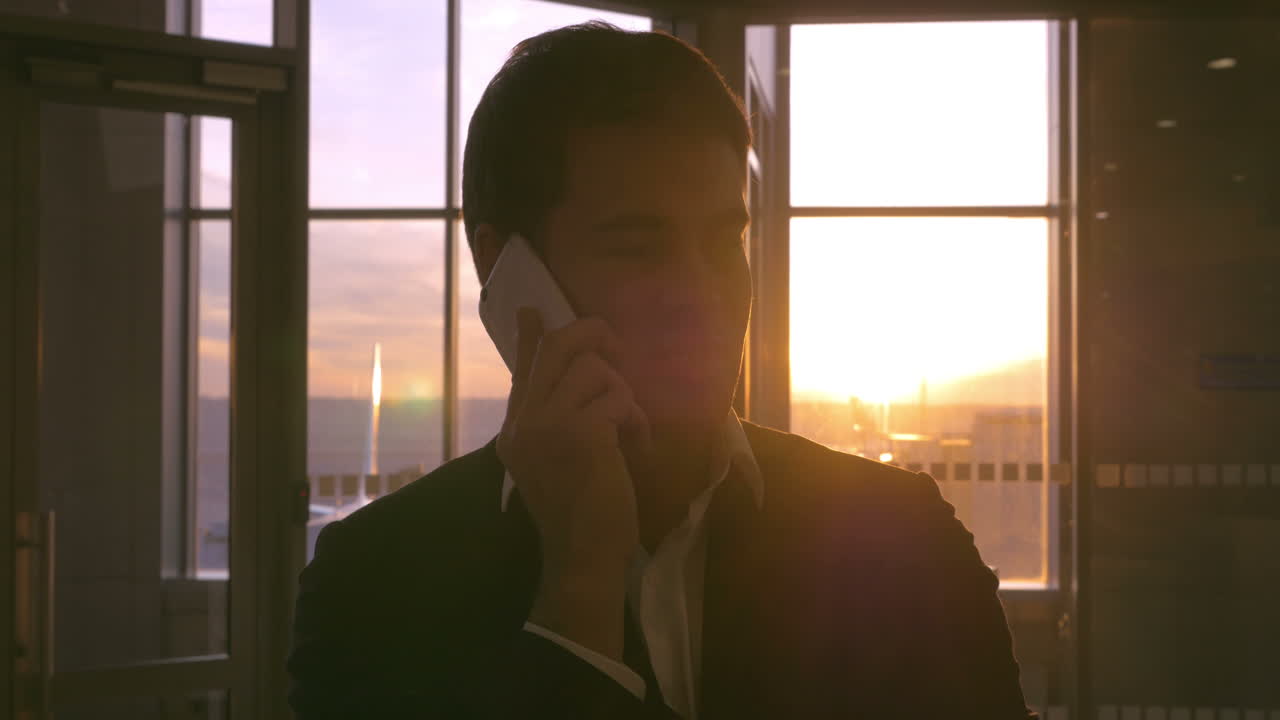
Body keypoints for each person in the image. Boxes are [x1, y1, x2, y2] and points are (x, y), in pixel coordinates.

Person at [288, 21, 1037, 719]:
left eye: (722, 240)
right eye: (637, 245)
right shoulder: (374, 582)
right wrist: (577, 593)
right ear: (504, 267)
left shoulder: (901, 537)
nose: (701, 295)